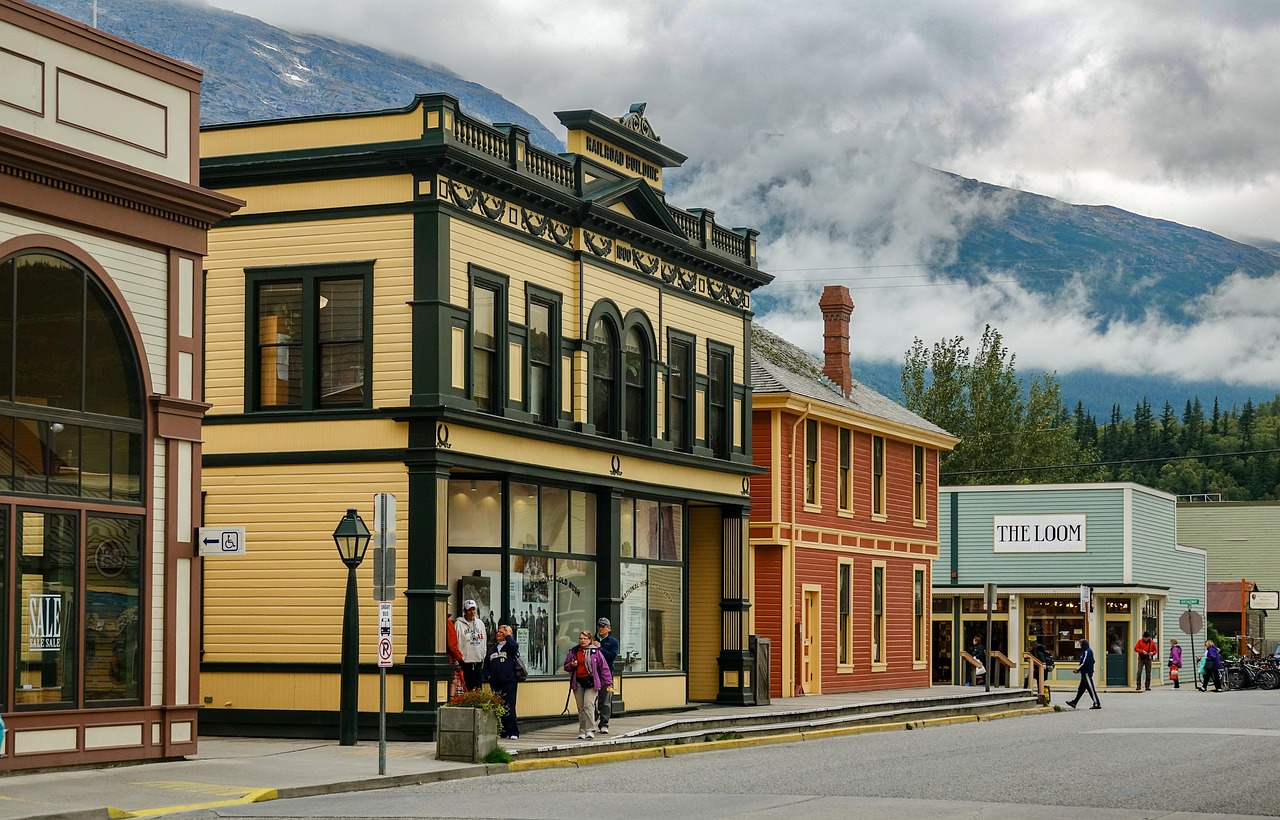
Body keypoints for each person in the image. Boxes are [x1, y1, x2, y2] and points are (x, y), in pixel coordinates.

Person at [564, 629, 613, 740]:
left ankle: (590, 730)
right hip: (578, 683)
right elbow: (566, 666)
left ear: (590, 640)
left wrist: (608, 683)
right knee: (581, 708)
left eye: (585, 638)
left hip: (592, 682)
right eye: (581, 638)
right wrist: (572, 665)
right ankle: (582, 730)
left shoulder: (595, 652)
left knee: (588, 705)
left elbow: (604, 668)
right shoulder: (574, 651)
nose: (582, 641)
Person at [484, 623, 520, 740]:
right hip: (495, 682)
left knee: (509, 705)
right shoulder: (492, 649)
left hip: (509, 681)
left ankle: (513, 731)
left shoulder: (510, 647)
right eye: (498, 632)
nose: (499, 633)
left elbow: (515, 646)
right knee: (499, 706)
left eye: (502, 632)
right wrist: (489, 676)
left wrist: (508, 635)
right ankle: (502, 730)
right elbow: (486, 666)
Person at [593, 617, 619, 734]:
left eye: (603, 626)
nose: (600, 628)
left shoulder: (613, 642)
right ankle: (592, 720)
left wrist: (600, 648)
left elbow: (611, 657)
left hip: (606, 676)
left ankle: (604, 724)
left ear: (609, 629)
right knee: (590, 700)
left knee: (605, 700)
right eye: (599, 626)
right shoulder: (592, 639)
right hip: (592, 675)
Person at [454, 599, 487, 691]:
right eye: (469, 610)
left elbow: (484, 642)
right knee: (466, 690)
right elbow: (455, 643)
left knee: (478, 690)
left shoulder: (480, 624)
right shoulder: (458, 624)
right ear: (464, 611)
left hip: (478, 662)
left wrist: (483, 657)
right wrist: (457, 662)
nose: (472, 612)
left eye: (473, 609)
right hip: (465, 663)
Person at [1066, 639, 1101, 709]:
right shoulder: (1087, 651)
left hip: (1087, 674)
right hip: (1085, 673)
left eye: (1081, 644)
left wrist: (1078, 669)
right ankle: (1074, 702)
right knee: (1081, 689)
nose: (1080, 646)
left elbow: (1084, 663)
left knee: (1091, 689)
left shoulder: (1087, 652)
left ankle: (1097, 703)